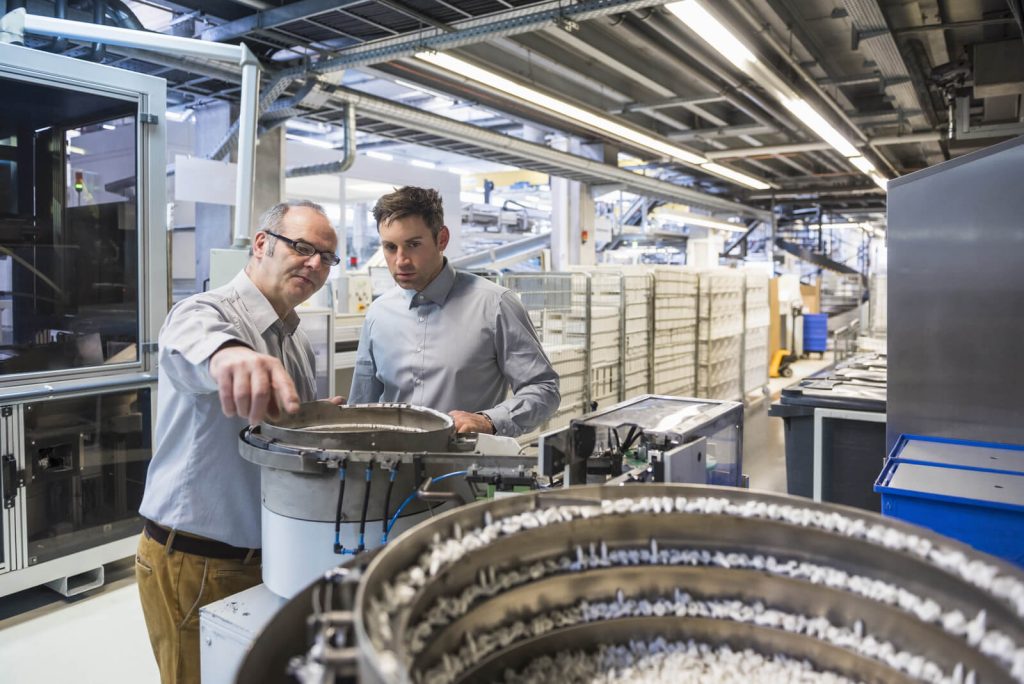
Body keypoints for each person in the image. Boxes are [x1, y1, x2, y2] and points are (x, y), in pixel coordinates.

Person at [135, 200, 341, 684]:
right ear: (263, 244)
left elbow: (280, 433)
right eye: (303, 247)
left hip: (267, 555)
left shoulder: (294, 341)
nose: (315, 264)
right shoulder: (203, 312)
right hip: (196, 560)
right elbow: (200, 347)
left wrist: (315, 421)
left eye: (327, 258)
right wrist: (232, 358)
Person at [348, 186, 559, 436]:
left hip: (468, 468)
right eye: (390, 247)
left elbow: (543, 388)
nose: (401, 260)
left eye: (413, 244)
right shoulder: (378, 314)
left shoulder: (495, 305)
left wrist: (489, 421)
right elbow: (360, 406)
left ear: (442, 239)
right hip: (394, 470)